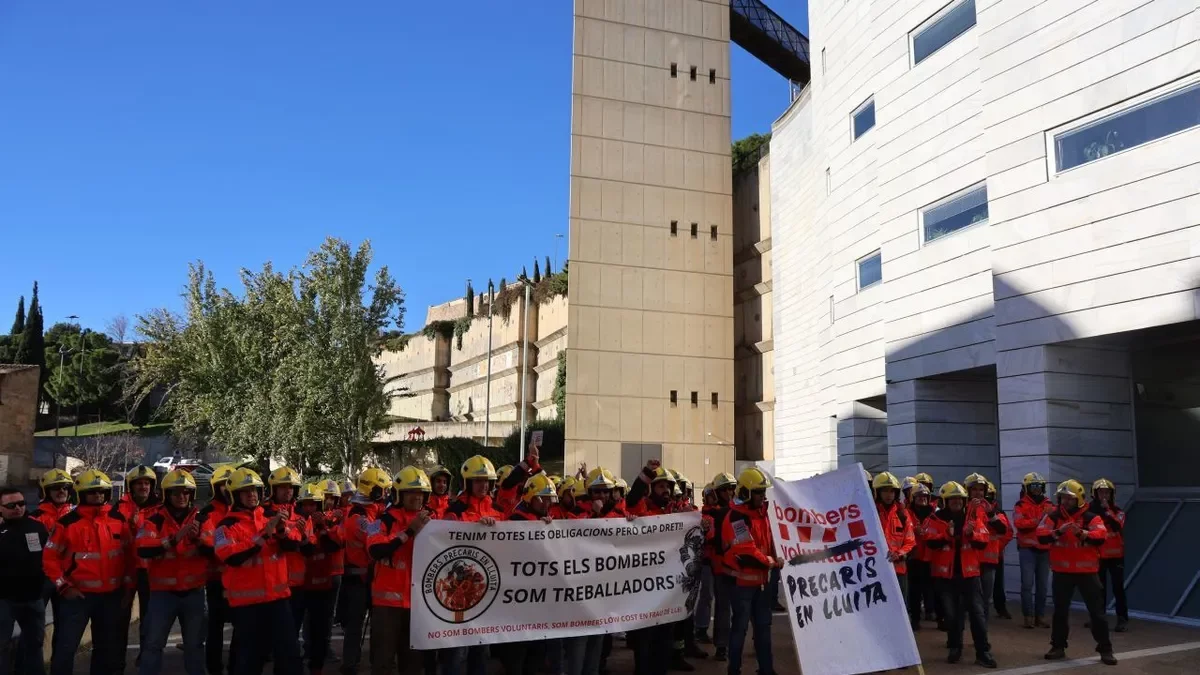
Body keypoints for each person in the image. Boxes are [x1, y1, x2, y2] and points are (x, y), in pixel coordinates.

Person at [213, 468, 303, 675]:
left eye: (254, 490)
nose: (252, 494)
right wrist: (264, 534)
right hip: (247, 607)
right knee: (249, 659)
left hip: (278, 600)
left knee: (290, 655)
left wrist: (281, 530)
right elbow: (231, 556)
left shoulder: (269, 516)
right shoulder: (226, 525)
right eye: (245, 491)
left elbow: (293, 547)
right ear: (234, 495)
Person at [43, 469, 132, 675]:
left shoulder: (118, 520)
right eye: (93, 492)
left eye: (102, 491)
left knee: (105, 651)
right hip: (77, 598)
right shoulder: (66, 523)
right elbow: (49, 559)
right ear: (81, 494)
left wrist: (127, 587)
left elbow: (129, 557)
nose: (98, 496)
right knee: (66, 649)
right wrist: (63, 586)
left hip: (110, 597)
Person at [1036, 480, 1116, 665]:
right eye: (1063, 497)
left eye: (1069, 498)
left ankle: (1105, 648)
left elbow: (1101, 536)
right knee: (1060, 612)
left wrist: (1083, 533)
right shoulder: (1054, 516)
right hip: (1062, 572)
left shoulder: (1091, 517)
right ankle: (1057, 646)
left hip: (1087, 572)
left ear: (1079, 499)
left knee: (1097, 613)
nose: (1065, 501)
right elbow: (1040, 535)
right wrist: (1058, 532)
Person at [136, 469, 207, 675]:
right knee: (152, 645)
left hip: (193, 593)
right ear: (167, 495)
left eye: (186, 492)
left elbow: (215, 549)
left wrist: (197, 540)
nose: (182, 497)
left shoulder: (201, 519)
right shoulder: (154, 520)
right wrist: (173, 540)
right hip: (162, 594)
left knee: (195, 646)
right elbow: (143, 547)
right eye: (176, 493)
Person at [366, 466, 435, 675]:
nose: (417, 497)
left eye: (420, 492)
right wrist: (409, 531)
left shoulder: (433, 521)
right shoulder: (380, 519)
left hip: (418, 603)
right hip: (387, 606)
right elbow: (375, 550)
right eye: (411, 492)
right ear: (399, 494)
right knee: (383, 662)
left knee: (413, 663)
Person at [923, 481, 995, 668]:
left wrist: (971, 534)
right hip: (946, 577)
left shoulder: (972, 518)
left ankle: (983, 651)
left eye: (960, 499)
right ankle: (955, 647)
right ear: (945, 501)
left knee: (977, 614)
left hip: (970, 575)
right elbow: (929, 542)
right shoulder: (935, 519)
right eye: (952, 499)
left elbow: (983, 541)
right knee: (952, 615)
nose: (957, 502)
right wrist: (946, 535)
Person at [442, 456, 501, 675]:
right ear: (468, 483)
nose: (483, 485)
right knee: (457, 650)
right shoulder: (454, 510)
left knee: (481, 648)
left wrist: (544, 525)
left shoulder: (497, 510)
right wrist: (474, 527)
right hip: (458, 592)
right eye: (478, 480)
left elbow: (518, 539)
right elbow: (445, 540)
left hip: (486, 590)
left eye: (487, 481)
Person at [722, 467, 780, 675]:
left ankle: (767, 669)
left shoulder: (762, 514)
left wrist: (778, 555)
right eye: (758, 492)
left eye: (763, 491)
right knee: (740, 630)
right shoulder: (737, 517)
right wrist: (772, 561)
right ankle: (734, 670)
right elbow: (746, 552)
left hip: (761, 584)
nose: (762, 495)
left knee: (764, 629)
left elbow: (770, 542)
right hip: (742, 586)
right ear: (746, 492)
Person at [500, 473, 556, 675]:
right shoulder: (516, 520)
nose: (547, 504)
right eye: (543, 498)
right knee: (517, 656)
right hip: (518, 600)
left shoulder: (545, 521)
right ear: (530, 498)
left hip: (538, 601)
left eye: (550, 499)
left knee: (537, 655)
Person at [339, 468, 392, 675]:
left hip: (370, 578)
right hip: (358, 580)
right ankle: (350, 664)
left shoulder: (371, 510)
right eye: (382, 490)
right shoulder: (357, 516)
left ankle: (370, 660)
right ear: (373, 490)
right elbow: (375, 536)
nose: (386, 494)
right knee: (355, 626)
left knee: (377, 625)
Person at [1, 485, 50, 675]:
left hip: (33, 598)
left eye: (21, 503)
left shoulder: (37, 527)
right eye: (11, 505)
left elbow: (50, 558)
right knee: (2, 646)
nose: (17, 508)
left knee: (35, 644)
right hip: (4, 600)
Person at [117, 464, 161, 671]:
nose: (143, 487)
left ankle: (146, 657)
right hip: (124, 570)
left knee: (149, 619)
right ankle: (117, 659)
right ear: (131, 487)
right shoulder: (119, 507)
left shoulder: (161, 508)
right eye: (139, 483)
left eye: (147, 483)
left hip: (149, 571)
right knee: (120, 618)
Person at [294, 483, 341, 675]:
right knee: (294, 630)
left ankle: (317, 667)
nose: (310, 509)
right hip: (298, 586)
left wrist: (323, 526)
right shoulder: (295, 522)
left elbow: (335, 546)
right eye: (306, 505)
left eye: (314, 504)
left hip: (322, 585)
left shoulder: (329, 524)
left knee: (320, 630)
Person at [196, 464, 237, 675]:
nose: (228, 489)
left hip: (240, 578)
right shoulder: (208, 512)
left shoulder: (240, 510)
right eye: (224, 485)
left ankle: (236, 666)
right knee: (216, 627)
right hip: (217, 578)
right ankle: (214, 668)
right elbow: (206, 545)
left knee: (241, 626)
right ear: (216, 487)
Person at [264, 468, 309, 640]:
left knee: (293, 627)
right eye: (282, 487)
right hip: (272, 583)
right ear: (274, 489)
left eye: (291, 487)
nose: (288, 490)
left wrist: (302, 537)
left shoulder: (301, 514)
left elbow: (307, 548)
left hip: (296, 582)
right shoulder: (263, 512)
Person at [1013, 472, 1054, 629]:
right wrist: (1039, 519)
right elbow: (1019, 523)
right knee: (1027, 584)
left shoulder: (1049, 504)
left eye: (1039, 486)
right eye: (1033, 486)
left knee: (1043, 585)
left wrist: (1040, 520)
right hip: (1027, 549)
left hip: (1044, 549)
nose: (1036, 489)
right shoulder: (1021, 505)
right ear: (1027, 488)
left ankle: (1040, 616)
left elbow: (1053, 523)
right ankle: (1028, 616)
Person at [704, 472, 737, 661]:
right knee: (723, 607)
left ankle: (733, 643)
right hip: (721, 567)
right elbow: (710, 539)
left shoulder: (739, 511)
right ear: (717, 492)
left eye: (731, 488)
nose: (729, 492)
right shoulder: (709, 514)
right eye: (725, 489)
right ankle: (722, 646)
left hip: (739, 566)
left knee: (740, 609)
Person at [1090, 478, 1128, 633]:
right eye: (1101, 492)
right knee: (1099, 589)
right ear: (1095, 494)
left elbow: (1119, 524)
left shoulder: (1117, 511)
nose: (1104, 495)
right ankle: (1099, 618)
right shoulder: (1090, 512)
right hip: (1099, 555)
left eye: (1107, 492)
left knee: (1118, 587)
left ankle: (1122, 619)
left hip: (1116, 555)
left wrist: (1107, 510)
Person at [873, 472, 915, 603]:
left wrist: (899, 554)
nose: (889, 495)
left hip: (898, 570)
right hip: (875, 570)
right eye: (885, 491)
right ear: (877, 492)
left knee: (900, 605)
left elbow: (910, 541)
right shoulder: (870, 511)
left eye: (892, 491)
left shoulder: (902, 513)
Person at [906, 483, 937, 630]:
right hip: (914, 556)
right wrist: (913, 530)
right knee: (915, 590)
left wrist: (925, 533)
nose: (922, 499)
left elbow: (939, 530)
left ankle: (934, 613)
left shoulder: (934, 513)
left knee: (932, 589)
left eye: (924, 497)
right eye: (919, 497)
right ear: (913, 498)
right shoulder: (906, 513)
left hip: (931, 557)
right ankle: (915, 619)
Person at [981, 481, 1013, 620]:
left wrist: (997, 547)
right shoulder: (971, 511)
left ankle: (1000, 608)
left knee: (997, 585)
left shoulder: (998, 513)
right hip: (975, 556)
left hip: (995, 555)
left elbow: (1007, 532)